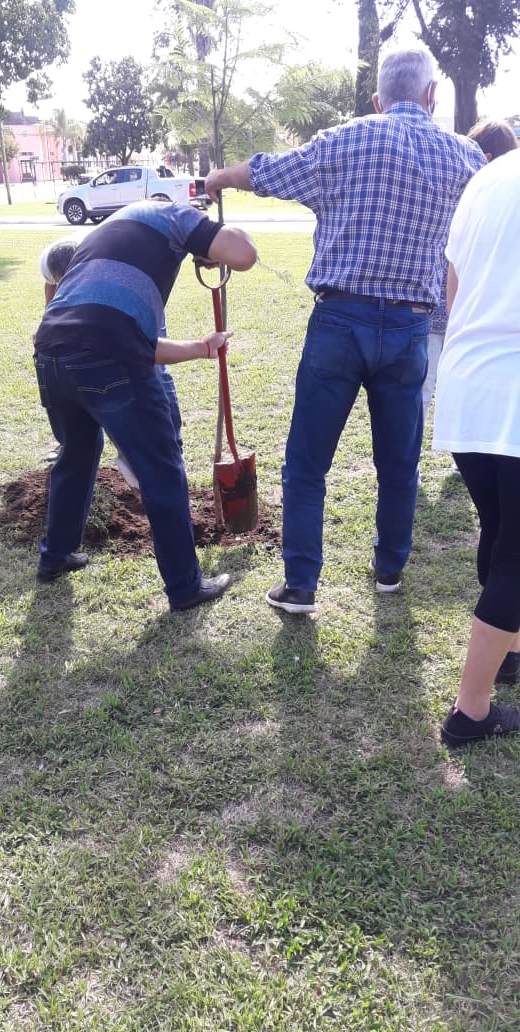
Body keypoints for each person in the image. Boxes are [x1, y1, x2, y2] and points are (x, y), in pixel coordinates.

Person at [205, 46, 485, 613]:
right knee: (399, 463)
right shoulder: (466, 159)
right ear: (432, 96)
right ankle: (389, 569)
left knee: (308, 462)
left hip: (338, 322)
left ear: (378, 99)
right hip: (410, 329)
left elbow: (266, 172)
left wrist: (218, 178)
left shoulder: (346, 140)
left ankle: (302, 585)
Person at [33, 201, 257, 610]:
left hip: (51, 354)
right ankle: (185, 587)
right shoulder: (176, 216)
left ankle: (56, 555)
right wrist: (215, 239)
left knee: (77, 455)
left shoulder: (109, 239)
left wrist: (201, 348)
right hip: (105, 360)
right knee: (161, 469)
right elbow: (244, 254)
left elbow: (122, 338)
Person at [433, 148, 520, 746]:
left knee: (503, 528)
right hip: (512, 383)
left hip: (469, 380)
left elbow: (453, 288)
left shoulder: (490, 176)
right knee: (517, 551)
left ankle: (509, 654)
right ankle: (471, 712)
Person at [38, 238, 183, 481]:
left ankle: (169, 443)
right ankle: (77, 446)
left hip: (139, 299)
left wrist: (203, 348)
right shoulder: (49, 264)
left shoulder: (114, 282)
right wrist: (52, 327)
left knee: (154, 371)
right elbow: (51, 300)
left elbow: (144, 349)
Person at [421, 120, 518, 427]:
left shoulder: (470, 188)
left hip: (446, 304)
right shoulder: (490, 194)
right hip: (461, 306)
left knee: (428, 385)